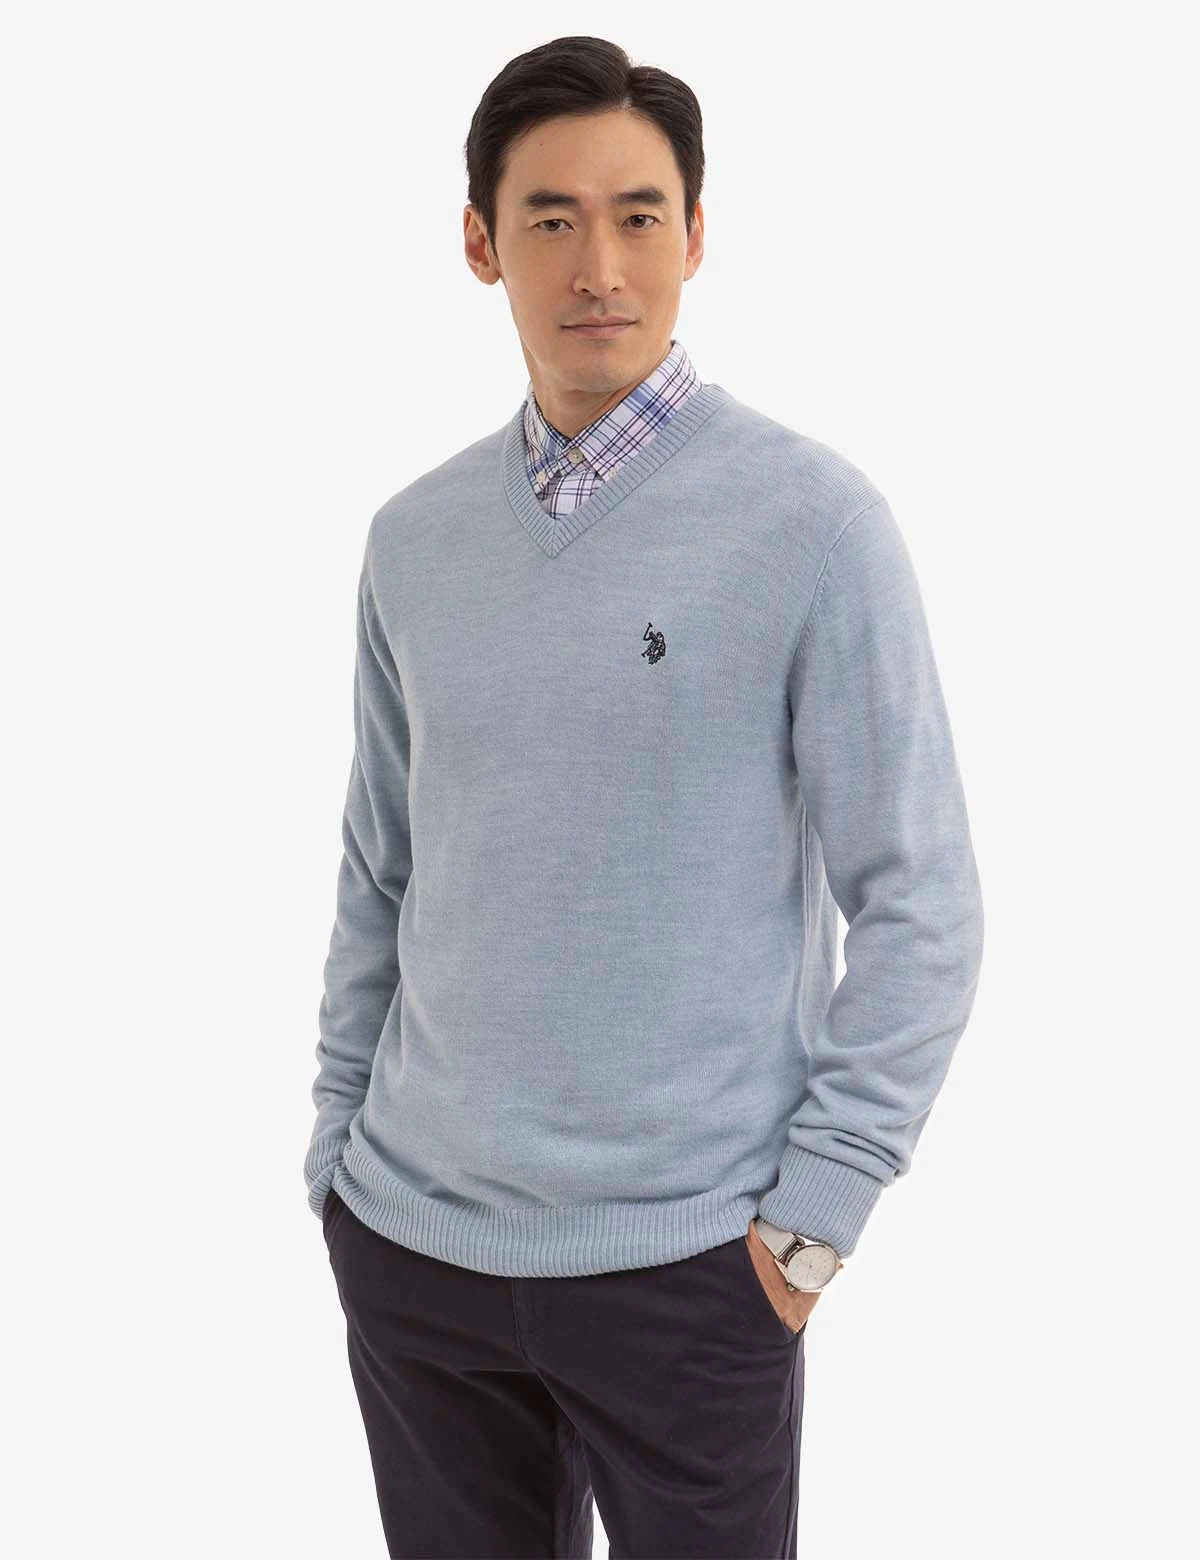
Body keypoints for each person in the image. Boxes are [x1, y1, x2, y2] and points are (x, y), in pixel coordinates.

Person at [304, 33, 985, 1560]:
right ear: (480, 243)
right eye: (550, 217)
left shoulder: (814, 525)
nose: (598, 265)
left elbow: (923, 900)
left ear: (697, 233)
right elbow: (382, 871)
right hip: (414, 1251)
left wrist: (815, 1219)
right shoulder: (413, 538)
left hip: (691, 1267)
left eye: (638, 215)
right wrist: (338, 1162)